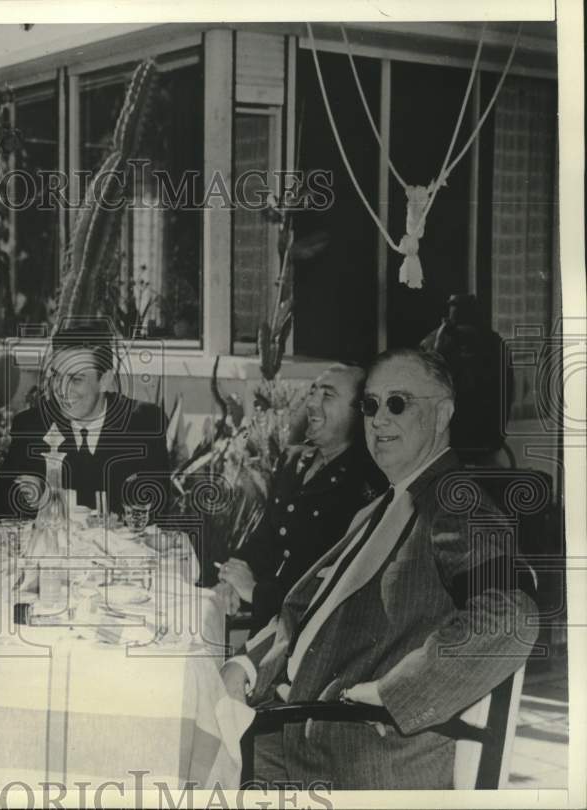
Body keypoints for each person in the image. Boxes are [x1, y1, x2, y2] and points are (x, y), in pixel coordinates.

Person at [221, 348, 538, 789]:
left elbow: (510, 615)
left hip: (354, 758)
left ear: (443, 413)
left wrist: (396, 693)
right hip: (293, 732)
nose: (378, 419)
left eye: (398, 403)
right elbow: (306, 610)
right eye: (370, 405)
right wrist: (248, 664)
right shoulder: (378, 507)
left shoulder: (456, 505)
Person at [217, 364, 387, 637]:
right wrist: (230, 577)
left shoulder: (366, 484)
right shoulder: (294, 460)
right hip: (268, 628)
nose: (312, 403)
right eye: (312, 392)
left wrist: (255, 593)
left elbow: (332, 585)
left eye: (328, 395)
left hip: (308, 636)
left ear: (359, 411)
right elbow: (264, 539)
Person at [0, 319, 171, 520]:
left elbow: (158, 515)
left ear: (105, 380)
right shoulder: (31, 426)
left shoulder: (144, 424)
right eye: (56, 376)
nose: (61, 390)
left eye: (76, 379)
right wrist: (30, 500)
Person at [420, 293, 513, 464]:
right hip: (480, 436)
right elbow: (506, 392)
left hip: (453, 436)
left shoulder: (433, 341)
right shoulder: (494, 343)